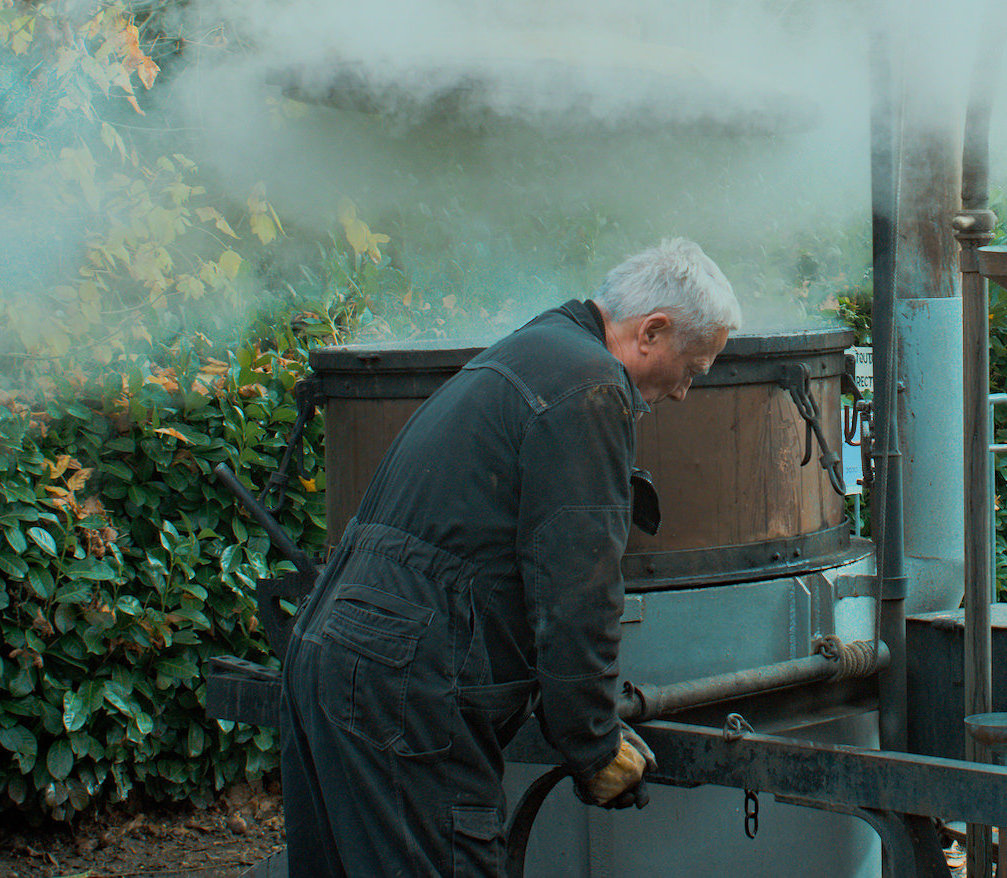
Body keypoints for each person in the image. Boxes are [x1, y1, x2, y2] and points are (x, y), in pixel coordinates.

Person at [279, 238, 741, 877]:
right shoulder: (591, 389)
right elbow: (577, 590)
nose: (686, 391)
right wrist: (594, 744)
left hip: (329, 650)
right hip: (404, 683)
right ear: (651, 331)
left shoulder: (533, 348)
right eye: (692, 368)